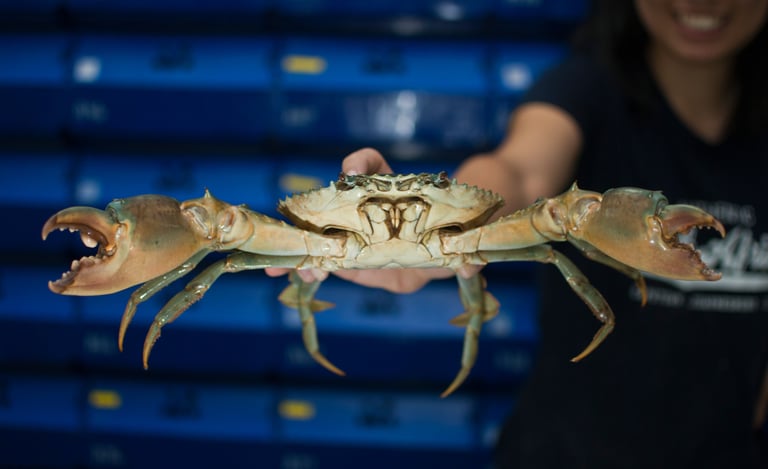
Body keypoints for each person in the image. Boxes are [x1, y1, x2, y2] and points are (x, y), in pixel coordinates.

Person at [268, 0, 768, 466]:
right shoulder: (584, 86)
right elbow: (520, 171)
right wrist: (439, 225)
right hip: (566, 449)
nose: (703, 2)